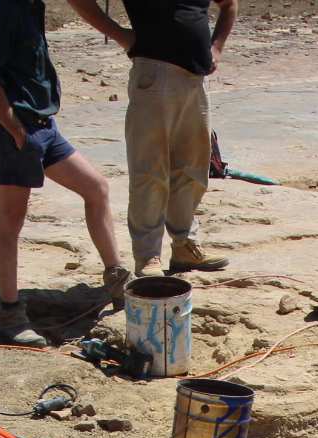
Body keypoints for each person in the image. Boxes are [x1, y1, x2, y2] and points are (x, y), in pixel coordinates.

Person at [0, 0, 130, 346]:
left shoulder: (31, 7)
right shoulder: (1, 12)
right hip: (18, 131)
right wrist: (14, 129)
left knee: (96, 188)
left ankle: (117, 280)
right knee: (10, 221)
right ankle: (10, 313)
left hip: (44, 127)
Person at [68, 0, 234, 278]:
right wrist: (121, 35)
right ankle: (148, 256)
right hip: (153, 75)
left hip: (196, 79)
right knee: (149, 172)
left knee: (192, 170)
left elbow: (229, 5)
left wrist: (217, 47)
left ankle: (185, 245)